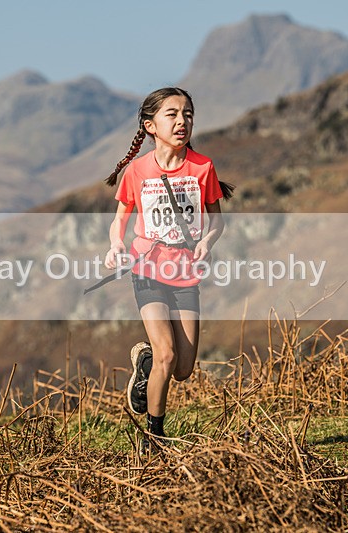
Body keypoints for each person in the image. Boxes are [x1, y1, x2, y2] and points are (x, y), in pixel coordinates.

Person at [102, 88, 231, 452]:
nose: (182, 121)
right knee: (168, 354)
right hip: (147, 270)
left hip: (186, 275)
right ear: (151, 126)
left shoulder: (203, 167)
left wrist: (207, 242)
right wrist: (117, 245)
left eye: (188, 114)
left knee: (184, 368)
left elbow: (217, 221)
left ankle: (144, 364)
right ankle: (153, 438)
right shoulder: (137, 171)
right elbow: (119, 221)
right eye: (172, 114)